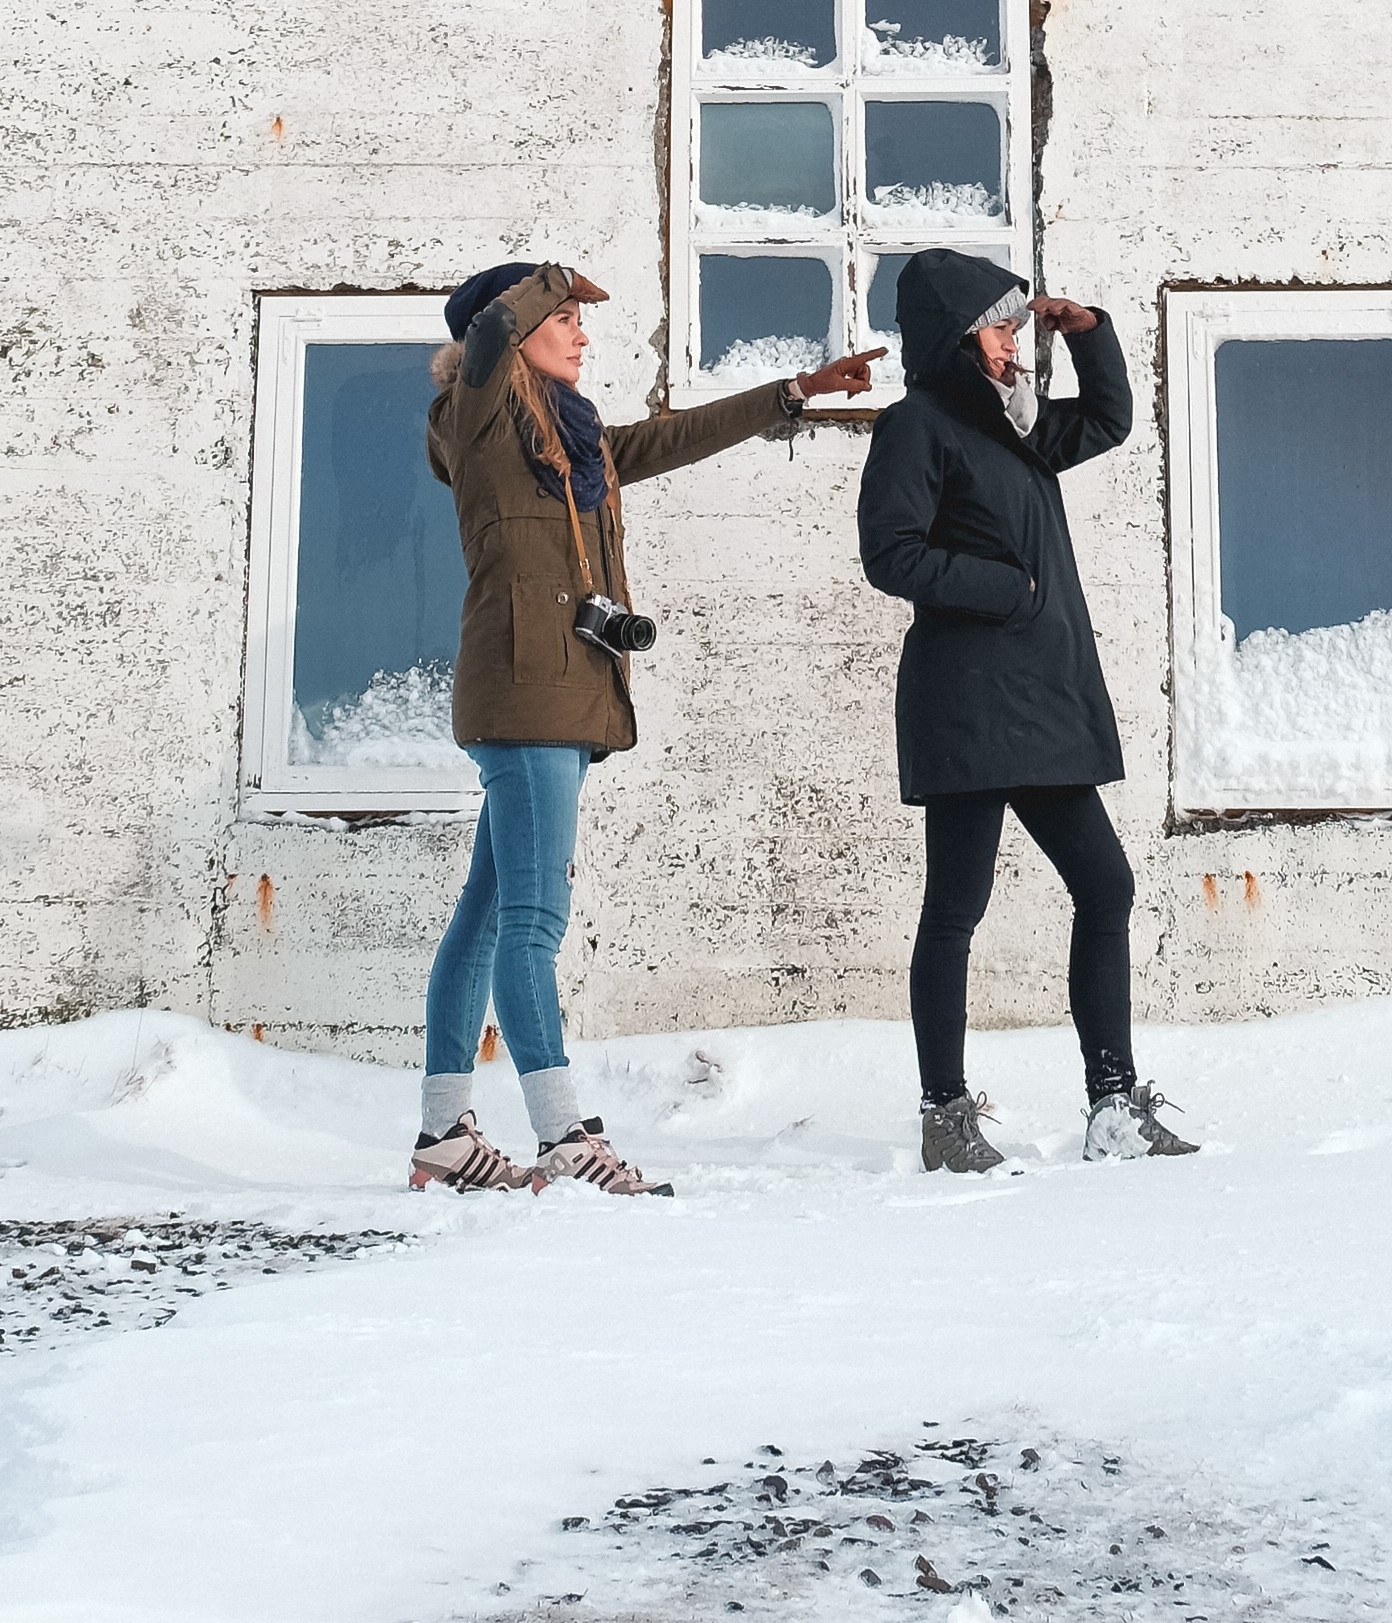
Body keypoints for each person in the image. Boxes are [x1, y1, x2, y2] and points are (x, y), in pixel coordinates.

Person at [414, 257, 874, 1196]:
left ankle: (443, 1135)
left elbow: (680, 434)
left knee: (490, 911)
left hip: (562, 694)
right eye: (566, 319)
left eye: (580, 318)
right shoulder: (475, 421)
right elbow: (492, 336)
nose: (582, 332)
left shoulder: (573, 442)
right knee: (533, 923)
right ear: (516, 330)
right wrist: (546, 279)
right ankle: (562, 1135)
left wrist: (796, 391)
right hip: (526, 695)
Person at [856, 248, 1197, 1173]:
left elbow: (1110, 420)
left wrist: (1091, 336)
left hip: (1039, 703)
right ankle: (945, 1116)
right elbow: (890, 554)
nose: (1014, 342)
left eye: (1013, 326)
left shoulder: (1015, 427)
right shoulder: (917, 426)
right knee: (956, 909)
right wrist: (1005, 590)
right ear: (962, 340)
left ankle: (1114, 1107)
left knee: (1105, 886)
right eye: (1000, 328)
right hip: (969, 704)